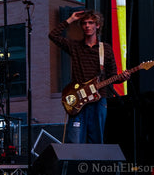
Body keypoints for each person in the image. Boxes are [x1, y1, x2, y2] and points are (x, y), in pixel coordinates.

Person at [48, 10, 130, 143]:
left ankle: (93, 164)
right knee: (75, 141)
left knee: (96, 141)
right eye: (84, 23)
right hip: (78, 99)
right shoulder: (75, 46)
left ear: (97, 25)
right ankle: (76, 164)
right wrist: (71, 19)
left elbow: (112, 76)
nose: (87, 26)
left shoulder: (106, 49)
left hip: (99, 100)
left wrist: (123, 78)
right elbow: (53, 35)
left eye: (91, 23)